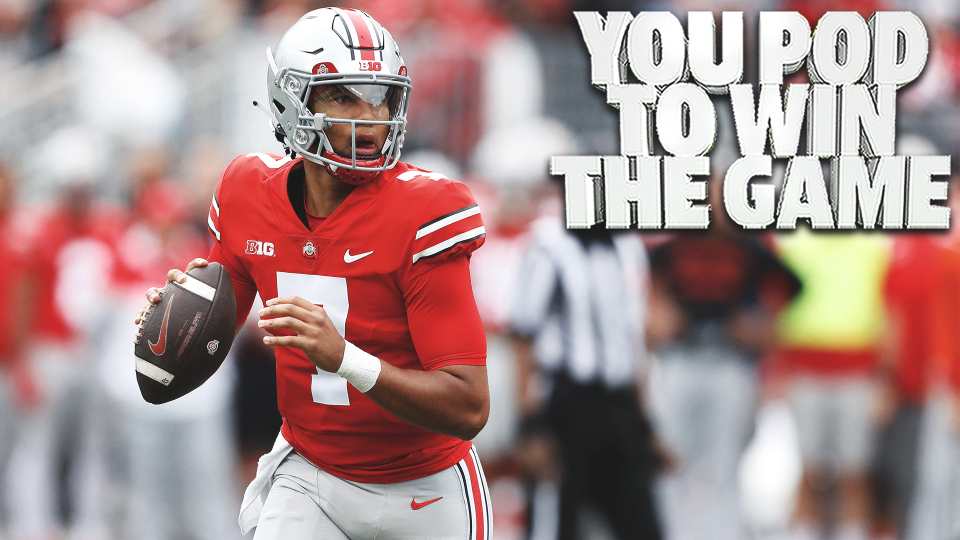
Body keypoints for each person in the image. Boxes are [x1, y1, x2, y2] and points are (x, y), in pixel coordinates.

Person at [135, 7, 492, 540]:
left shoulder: (427, 210)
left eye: (380, 97)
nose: (370, 118)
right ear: (292, 101)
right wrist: (176, 322)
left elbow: (468, 405)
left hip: (426, 485)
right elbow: (211, 328)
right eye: (344, 96)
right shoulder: (245, 191)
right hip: (312, 476)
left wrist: (345, 358)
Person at [510, 210, 662, 540]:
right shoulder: (548, 244)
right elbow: (523, 337)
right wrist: (531, 426)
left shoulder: (628, 244)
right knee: (554, 526)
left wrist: (645, 423)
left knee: (644, 527)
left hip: (619, 406)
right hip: (566, 406)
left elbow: (634, 340)